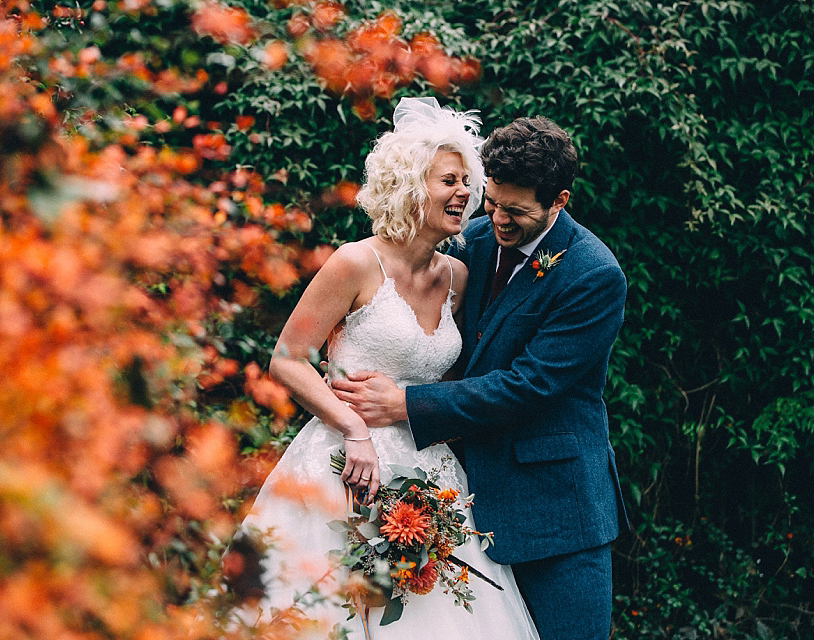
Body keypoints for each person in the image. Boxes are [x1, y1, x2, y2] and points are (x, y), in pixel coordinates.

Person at [238, 97, 540, 639]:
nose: (465, 193)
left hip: (431, 478)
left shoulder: (459, 278)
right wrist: (352, 427)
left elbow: (450, 386)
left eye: (467, 181)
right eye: (449, 180)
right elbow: (286, 359)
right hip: (344, 469)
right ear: (408, 186)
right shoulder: (355, 262)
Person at [331, 116, 628, 639]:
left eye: (516, 211)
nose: (498, 220)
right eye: (491, 201)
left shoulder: (594, 275)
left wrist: (407, 403)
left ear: (559, 201)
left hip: (556, 514)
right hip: (462, 500)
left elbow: (528, 384)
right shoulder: (475, 239)